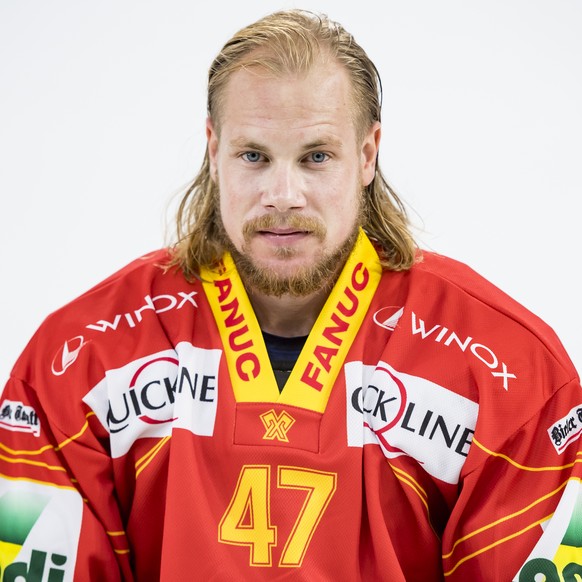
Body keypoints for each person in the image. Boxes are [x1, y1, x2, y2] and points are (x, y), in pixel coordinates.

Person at [0, 9, 580, 581]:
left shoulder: (510, 368)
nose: (284, 194)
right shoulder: (76, 360)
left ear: (368, 154)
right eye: (254, 156)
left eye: (316, 157)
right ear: (213, 148)